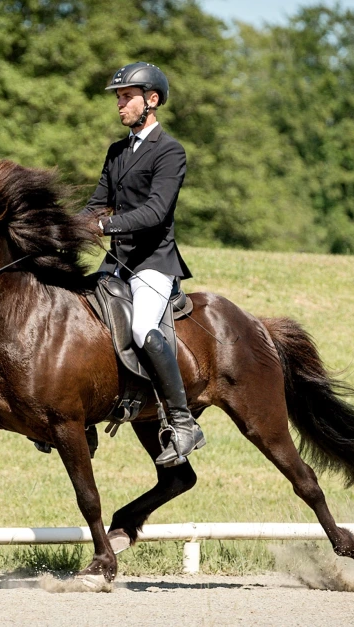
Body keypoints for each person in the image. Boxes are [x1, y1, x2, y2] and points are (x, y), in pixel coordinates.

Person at [83, 62, 205, 466]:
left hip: (153, 261)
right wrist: (68, 226)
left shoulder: (170, 152)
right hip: (118, 260)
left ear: (151, 101)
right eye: (118, 98)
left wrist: (105, 225)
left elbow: (155, 212)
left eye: (126, 97)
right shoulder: (117, 151)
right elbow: (97, 202)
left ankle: (183, 422)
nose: (120, 104)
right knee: (80, 318)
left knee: (142, 328)